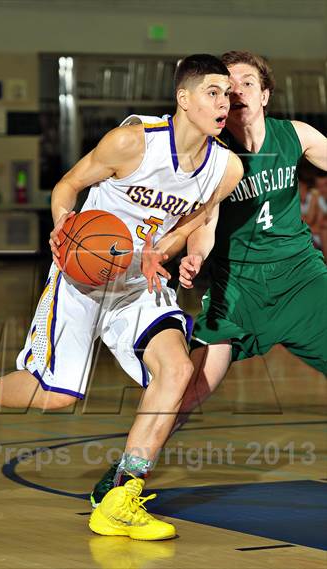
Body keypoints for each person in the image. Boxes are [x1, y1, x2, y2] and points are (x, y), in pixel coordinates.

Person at [0, 54, 243, 541]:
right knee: (53, 395)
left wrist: (168, 250)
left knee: (176, 373)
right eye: (213, 92)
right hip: (84, 276)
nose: (224, 102)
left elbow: (193, 219)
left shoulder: (227, 167)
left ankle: (121, 497)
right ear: (184, 98)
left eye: (227, 94)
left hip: (141, 280)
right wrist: (62, 226)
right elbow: (69, 185)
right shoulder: (131, 142)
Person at [90, 50, 327, 509]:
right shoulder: (214, 157)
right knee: (191, 386)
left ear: (265, 94)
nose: (236, 93)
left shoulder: (294, 136)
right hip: (238, 287)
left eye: (247, 84)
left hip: (301, 280)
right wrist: (196, 255)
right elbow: (206, 221)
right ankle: (123, 477)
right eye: (227, 86)